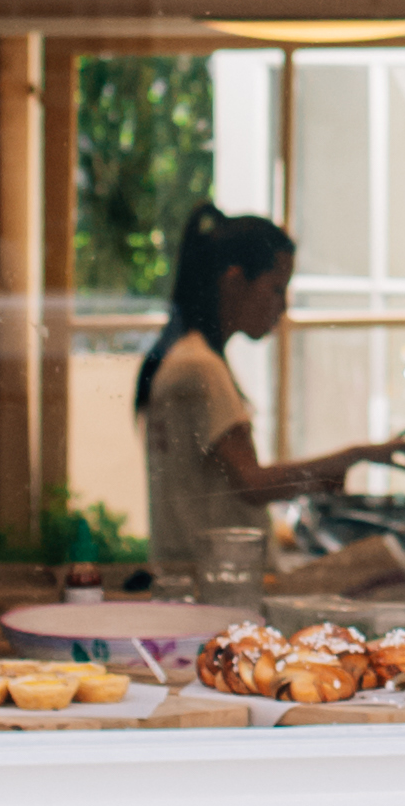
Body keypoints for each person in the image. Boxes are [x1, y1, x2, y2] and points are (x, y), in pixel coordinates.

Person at [135, 208, 324, 591]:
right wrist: (349, 460)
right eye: (275, 289)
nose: (282, 307)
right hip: (218, 586)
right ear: (235, 281)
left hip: (199, 580)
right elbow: (251, 482)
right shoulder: (199, 368)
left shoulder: (186, 358)